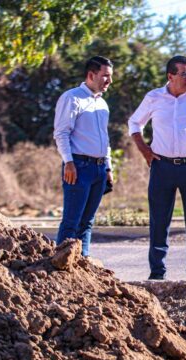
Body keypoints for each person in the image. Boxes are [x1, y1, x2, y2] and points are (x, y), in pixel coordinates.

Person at [128, 55, 186, 280]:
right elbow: (134, 122)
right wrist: (144, 150)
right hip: (161, 167)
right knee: (159, 221)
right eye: (184, 74)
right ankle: (157, 273)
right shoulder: (154, 98)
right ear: (170, 76)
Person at [53, 56, 114, 259]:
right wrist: (68, 162)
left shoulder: (102, 104)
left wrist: (108, 168)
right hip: (78, 167)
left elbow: (105, 139)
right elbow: (61, 133)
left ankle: (82, 263)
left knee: (87, 222)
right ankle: (61, 265)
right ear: (91, 75)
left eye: (110, 77)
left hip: (98, 168)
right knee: (72, 221)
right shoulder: (72, 98)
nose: (109, 81)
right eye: (105, 76)